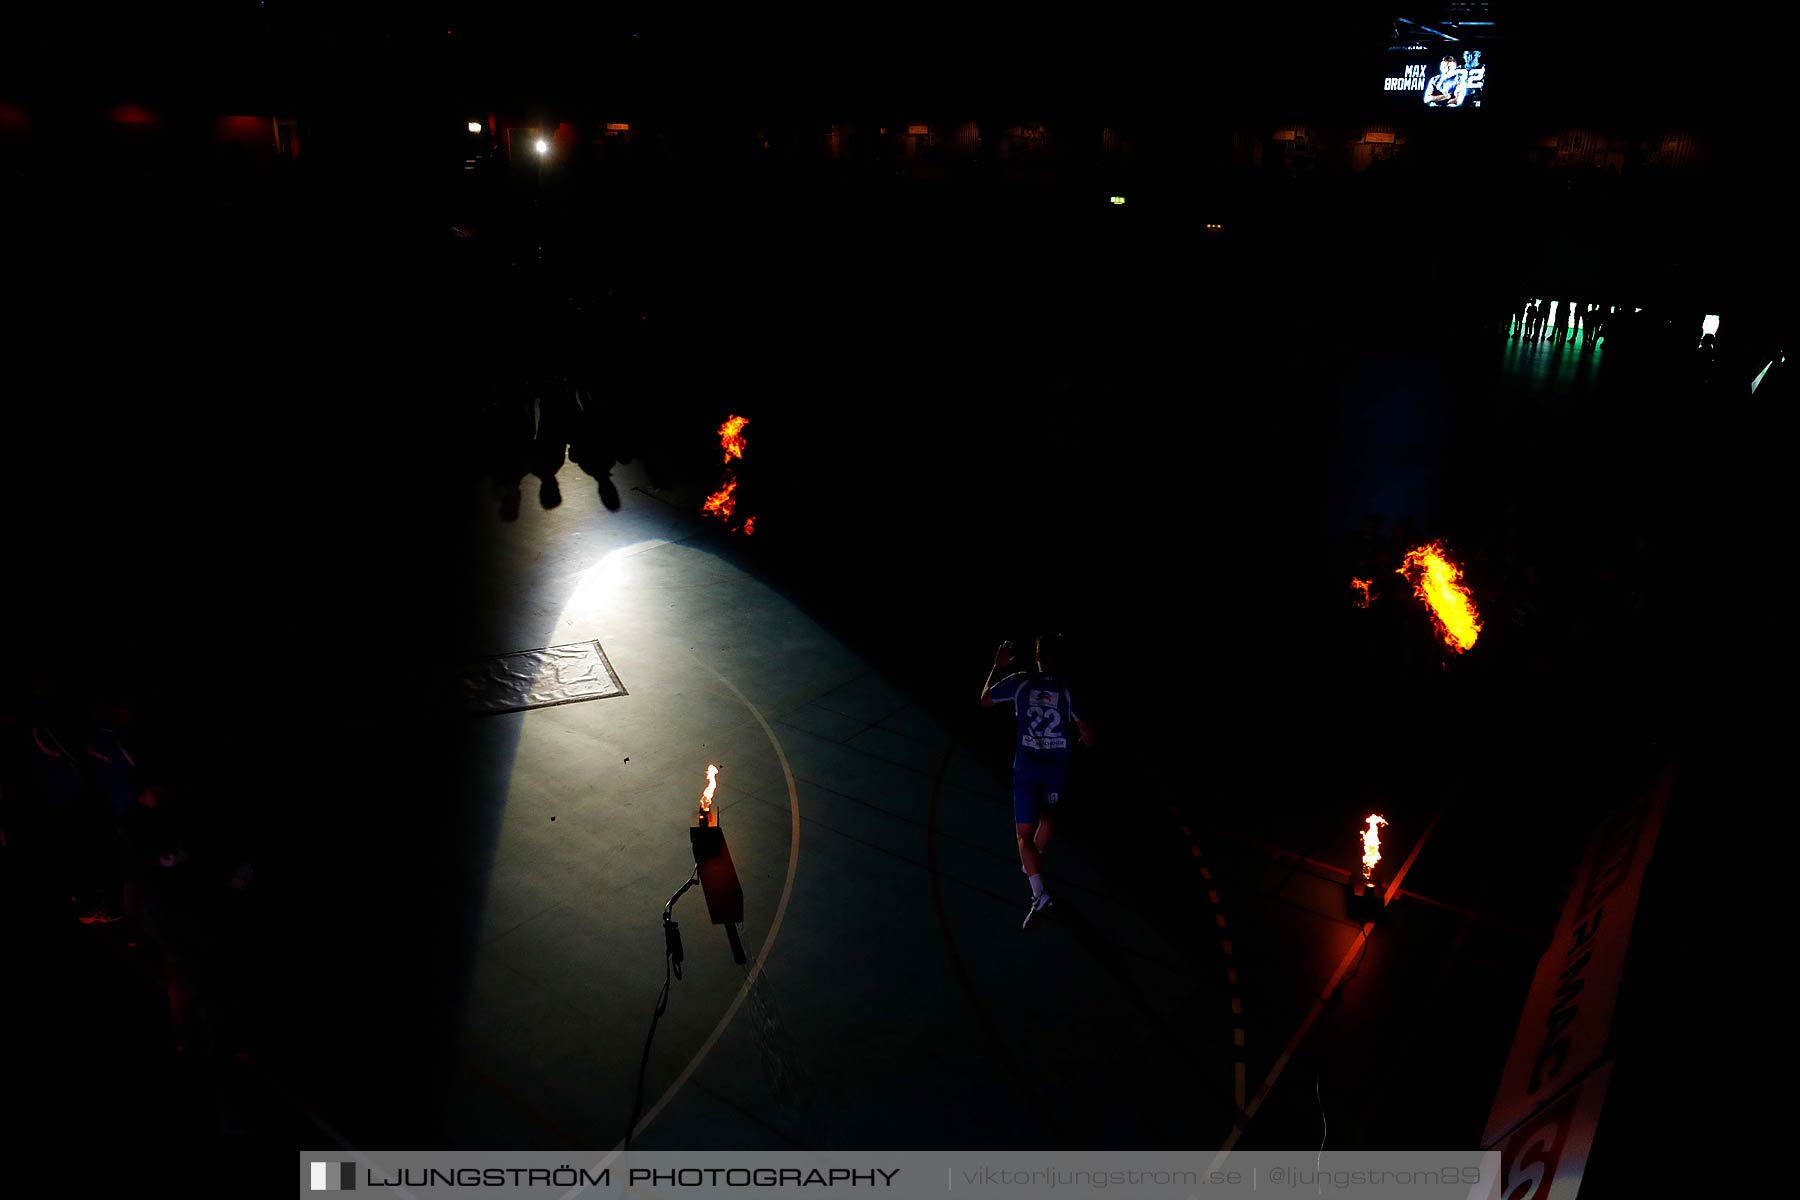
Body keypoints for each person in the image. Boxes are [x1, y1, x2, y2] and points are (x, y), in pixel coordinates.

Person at [980, 635, 1094, 929]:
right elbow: (1088, 735)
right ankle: (1032, 868)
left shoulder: (1021, 681)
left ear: (1038, 656)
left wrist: (997, 666)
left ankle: (1038, 891)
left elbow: (986, 699)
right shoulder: (1067, 689)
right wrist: (1076, 745)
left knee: (1023, 837)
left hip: (1027, 769)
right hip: (1055, 769)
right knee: (1048, 822)